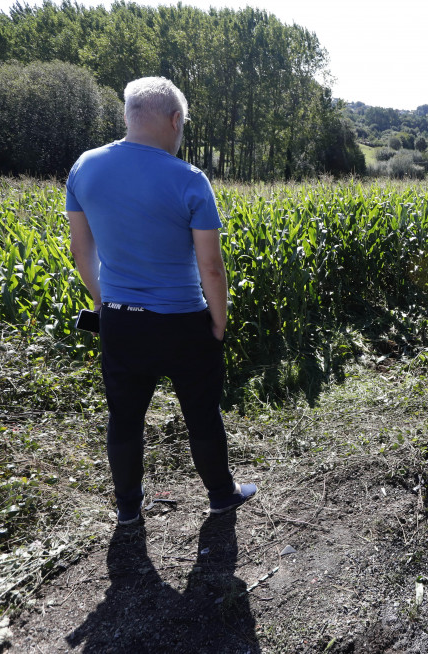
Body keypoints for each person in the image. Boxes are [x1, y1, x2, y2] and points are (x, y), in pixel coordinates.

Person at [66, 76, 256, 526]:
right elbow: (211, 267)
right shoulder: (189, 179)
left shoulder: (84, 168)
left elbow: (81, 251)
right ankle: (221, 495)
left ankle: (129, 509)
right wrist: (219, 322)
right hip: (184, 322)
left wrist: (107, 302)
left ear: (129, 115)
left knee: (125, 418)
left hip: (119, 321)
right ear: (175, 120)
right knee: (201, 413)